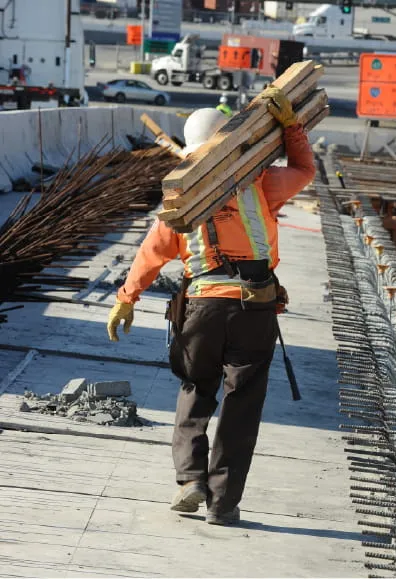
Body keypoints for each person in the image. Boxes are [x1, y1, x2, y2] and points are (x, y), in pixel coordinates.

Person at [106, 87, 316, 525]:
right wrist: (292, 127)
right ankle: (223, 505)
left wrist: (127, 299)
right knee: (242, 407)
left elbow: (153, 250)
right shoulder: (261, 184)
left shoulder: (180, 197)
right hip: (255, 309)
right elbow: (304, 168)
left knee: (195, 389)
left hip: (202, 308)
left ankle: (190, 481)